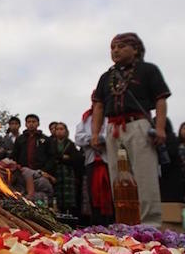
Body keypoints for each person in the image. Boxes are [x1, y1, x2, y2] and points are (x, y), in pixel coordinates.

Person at [92, 32, 170, 227]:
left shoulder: (148, 70)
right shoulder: (106, 77)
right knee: (117, 177)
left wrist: (160, 128)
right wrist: (95, 134)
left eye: (121, 46)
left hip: (138, 125)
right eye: (112, 47)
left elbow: (160, 99)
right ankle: (124, 223)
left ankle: (150, 225)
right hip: (112, 129)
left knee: (145, 175)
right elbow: (98, 106)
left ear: (135, 49)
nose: (115, 50)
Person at [75, 97, 114, 225]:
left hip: (109, 161)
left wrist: (102, 140)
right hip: (91, 161)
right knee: (94, 195)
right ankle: (97, 224)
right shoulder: (85, 120)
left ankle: (113, 222)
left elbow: (114, 134)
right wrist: (91, 140)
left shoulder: (110, 117)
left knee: (111, 193)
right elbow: (78, 138)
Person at [49, 122, 83, 216]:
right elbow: (52, 157)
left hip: (68, 173)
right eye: (57, 129)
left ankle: (69, 215)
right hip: (56, 172)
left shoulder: (70, 144)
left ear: (66, 131)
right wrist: (62, 157)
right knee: (57, 196)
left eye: (61, 129)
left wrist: (63, 158)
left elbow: (75, 158)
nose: (59, 131)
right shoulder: (51, 143)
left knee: (69, 197)